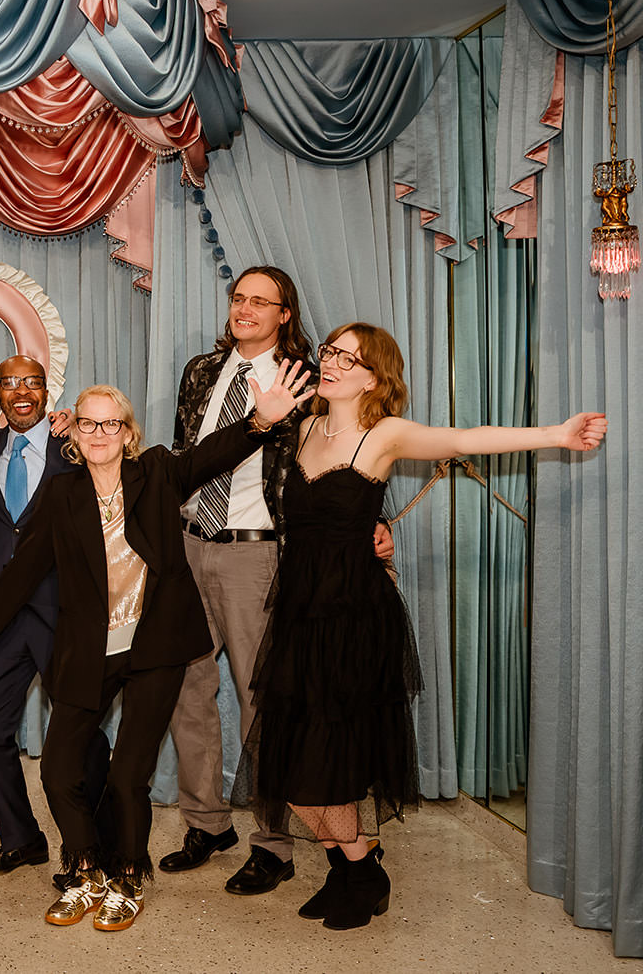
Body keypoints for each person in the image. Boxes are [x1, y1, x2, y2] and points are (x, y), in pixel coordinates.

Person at [238, 322, 607, 931]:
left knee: (327, 766)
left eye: (346, 357)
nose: (330, 362)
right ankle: (349, 865)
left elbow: (465, 437)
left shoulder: (385, 434)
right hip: (301, 615)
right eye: (329, 350)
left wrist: (556, 434)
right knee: (295, 770)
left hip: (354, 618)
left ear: (373, 377)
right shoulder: (302, 427)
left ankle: (362, 872)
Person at [0, 365, 312, 932]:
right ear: (74, 434)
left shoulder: (156, 473)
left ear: (129, 433)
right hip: (90, 648)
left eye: (112, 424)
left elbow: (211, 456)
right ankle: (85, 871)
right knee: (58, 773)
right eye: (88, 424)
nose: (100, 433)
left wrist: (259, 422)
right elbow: (19, 574)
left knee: (129, 774)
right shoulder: (61, 493)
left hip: (154, 646)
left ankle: (128, 876)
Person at [162, 266, 393, 895]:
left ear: (285, 313)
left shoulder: (310, 380)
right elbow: (184, 454)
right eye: (239, 298)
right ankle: (207, 823)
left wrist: (378, 519)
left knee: (265, 699)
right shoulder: (201, 372)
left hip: (256, 554)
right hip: (188, 545)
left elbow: (351, 450)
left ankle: (273, 844)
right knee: (187, 691)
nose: (246, 309)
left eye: (261, 302)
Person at [0, 355, 92, 878]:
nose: (22, 391)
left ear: (47, 391)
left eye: (32, 382)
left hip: (59, 610)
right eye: (10, 384)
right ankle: (21, 839)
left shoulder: (76, 445)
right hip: (1, 614)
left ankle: (87, 847)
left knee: (76, 735)